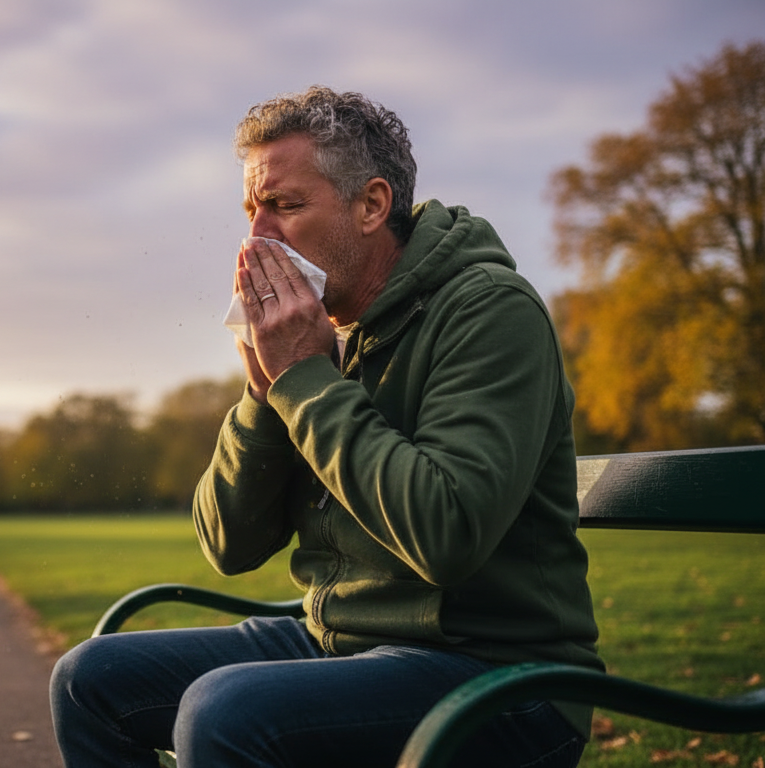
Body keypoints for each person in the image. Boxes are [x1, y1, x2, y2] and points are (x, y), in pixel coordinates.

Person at [49, 86, 604, 768]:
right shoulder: (327, 334)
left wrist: (304, 383)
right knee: (89, 681)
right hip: (337, 640)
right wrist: (263, 397)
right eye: (252, 210)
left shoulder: (488, 310)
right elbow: (227, 544)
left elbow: (447, 534)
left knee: (226, 711)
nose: (258, 237)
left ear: (371, 205)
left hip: (496, 676)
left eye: (284, 205)